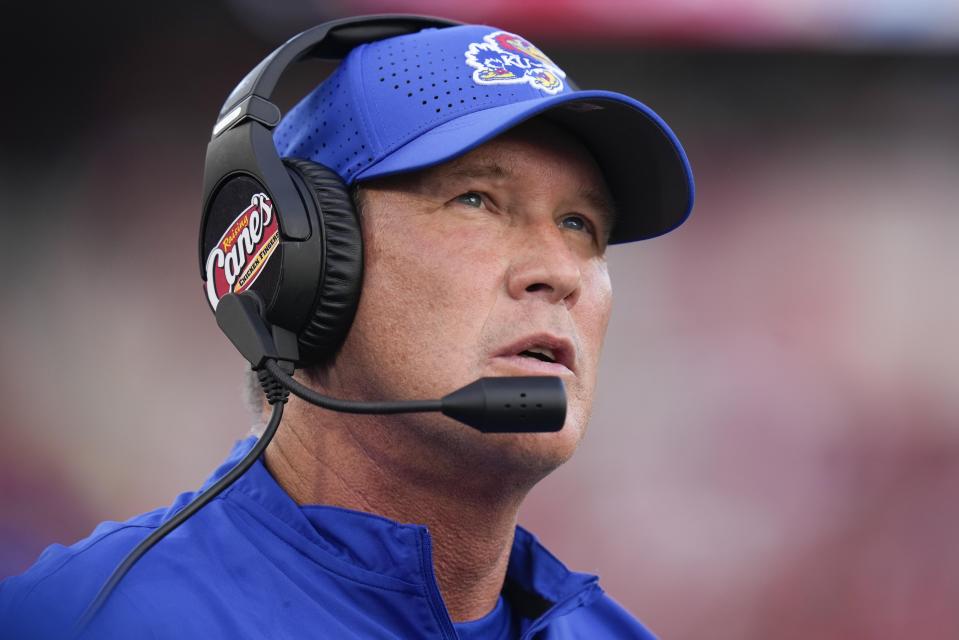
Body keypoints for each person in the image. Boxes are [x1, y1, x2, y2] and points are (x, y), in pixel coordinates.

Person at [0, 19, 693, 639]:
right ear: (299, 265)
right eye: (476, 200)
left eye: (580, 225)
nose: (560, 271)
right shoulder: (84, 620)